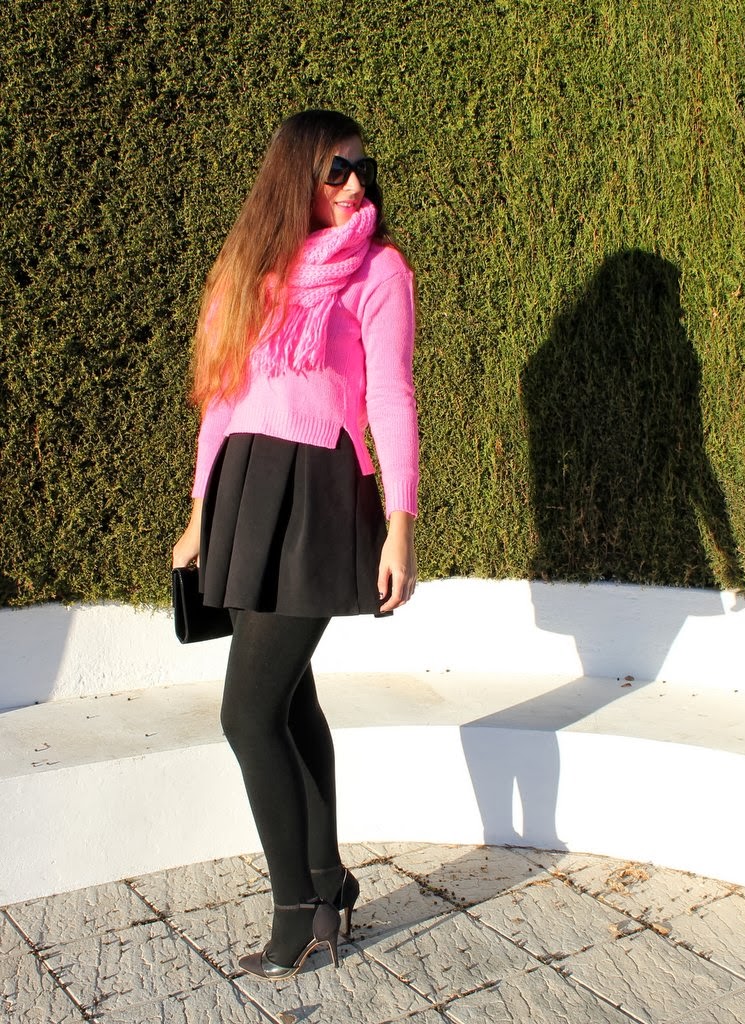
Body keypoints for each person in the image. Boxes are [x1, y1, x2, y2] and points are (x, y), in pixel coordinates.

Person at [172, 110, 418, 979]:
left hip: (317, 492)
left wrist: (399, 526)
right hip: (245, 490)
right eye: (335, 170)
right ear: (295, 178)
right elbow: (222, 397)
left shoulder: (378, 269)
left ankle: (295, 917)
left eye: (361, 168)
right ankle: (327, 883)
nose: (355, 184)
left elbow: (390, 396)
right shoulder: (250, 270)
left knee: (247, 715)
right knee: (289, 702)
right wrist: (199, 513)